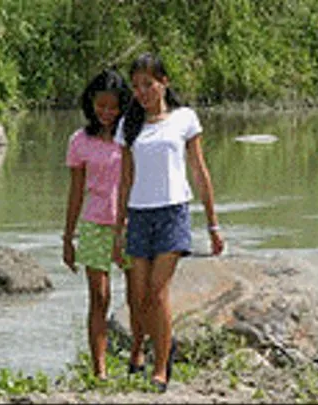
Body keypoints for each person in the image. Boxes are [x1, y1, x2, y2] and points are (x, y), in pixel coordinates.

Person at [112, 52, 225, 393]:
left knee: (158, 292)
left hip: (173, 214)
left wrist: (213, 225)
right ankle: (165, 345)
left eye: (148, 84)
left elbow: (200, 173)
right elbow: (125, 180)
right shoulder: (127, 127)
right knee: (141, 296)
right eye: (136, 87)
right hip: (139, 217)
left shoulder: (185, 119)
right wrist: (119, 230)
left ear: (164, 83)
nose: (142, 92)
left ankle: (160, 368)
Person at [62, 68, 136, 381]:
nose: (106, 113)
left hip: (131, 223)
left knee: (137, 297)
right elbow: (76, 191)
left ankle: (138, 358)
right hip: (94, 224)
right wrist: (68, 237)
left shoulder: (132, 138)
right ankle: (100, 370)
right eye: (100, 106)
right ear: (91, 103)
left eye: (113, 107)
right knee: (99, 298)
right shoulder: (80, 141)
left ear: (123, 106)